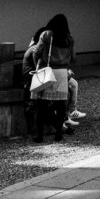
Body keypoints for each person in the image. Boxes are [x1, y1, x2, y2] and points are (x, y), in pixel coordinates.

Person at [31, 14, 76, 142]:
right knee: (61, 105)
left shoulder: (46, 35)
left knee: (41, 105)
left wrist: (37, 68)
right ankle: (58, 134)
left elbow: (37, 53)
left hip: (47, 70)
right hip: (62, 73)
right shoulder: (69, 38)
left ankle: (39, 135)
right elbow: (73, 58)